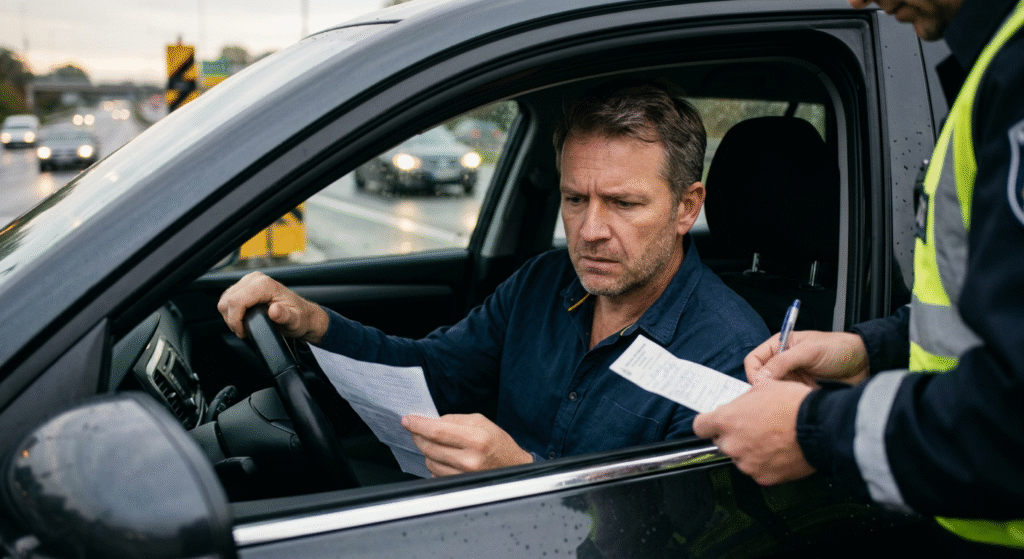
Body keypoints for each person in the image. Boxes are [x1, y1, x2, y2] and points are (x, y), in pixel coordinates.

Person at [219, 80, 769, 478]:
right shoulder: (545, 283)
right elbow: (434, 373)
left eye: (623, 203)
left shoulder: (728, 354)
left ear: (686, 207)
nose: (590, 230)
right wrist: (314, 323)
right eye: (575, 199)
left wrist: (522, 474)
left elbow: (676, 533)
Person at [693, 0, 1024, 553]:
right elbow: (984, 314)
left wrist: (814, 431)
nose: (857, 1)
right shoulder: (993, 68)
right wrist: (868, 348)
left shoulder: (1014, 80)